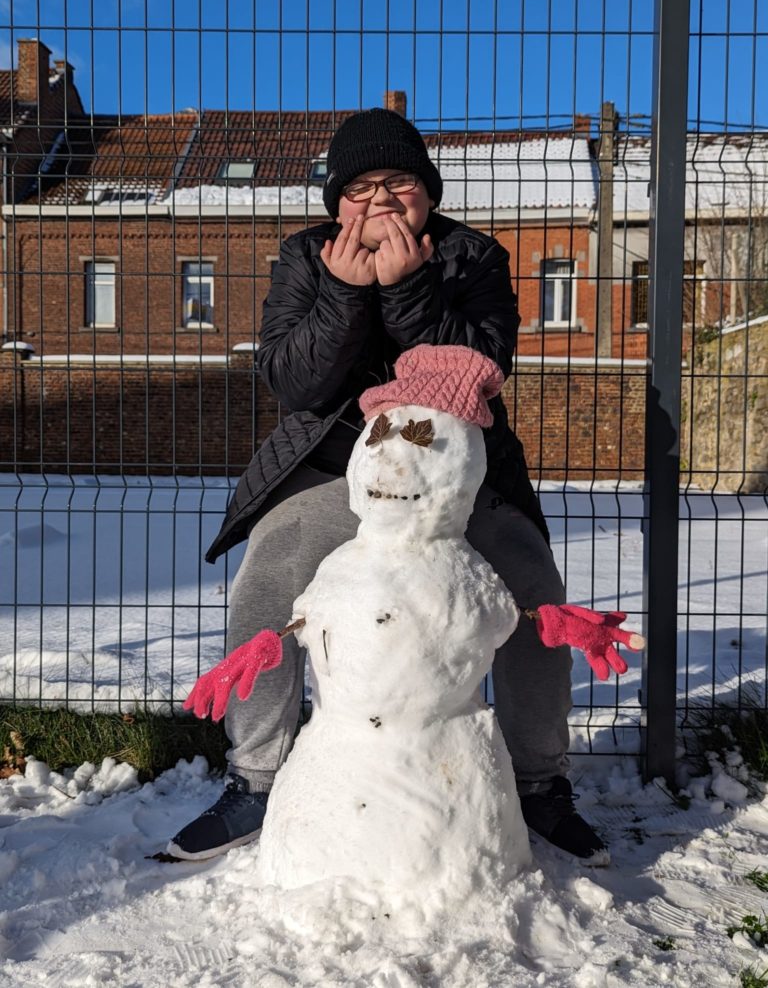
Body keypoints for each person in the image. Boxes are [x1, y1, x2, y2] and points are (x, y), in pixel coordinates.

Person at [167, 108, 607, 864]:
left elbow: (479, 370)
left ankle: (540, 782)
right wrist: (344, 294)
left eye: (397, 183)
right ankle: (256, 778)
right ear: (336, 203)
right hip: (336, 468)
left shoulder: (472, 257)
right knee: (271, 572)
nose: (378, 200)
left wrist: (407, 290)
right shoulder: (305, 257)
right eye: (359, 188)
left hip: (452, 480)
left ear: (428, 194)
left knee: (532, 582)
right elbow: (293, 383)